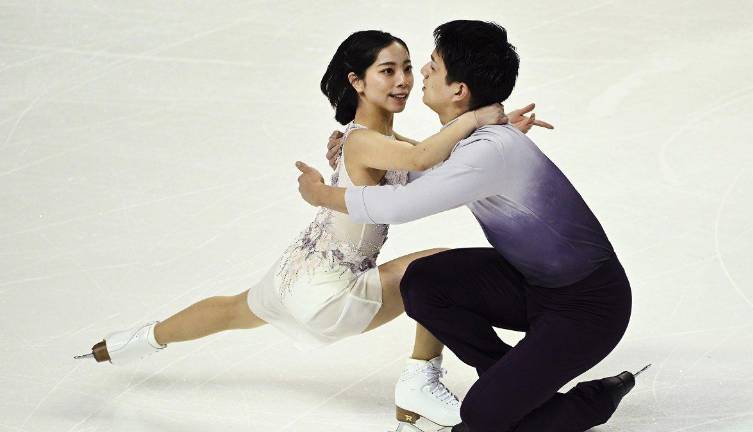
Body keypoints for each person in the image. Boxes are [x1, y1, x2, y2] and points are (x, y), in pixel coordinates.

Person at [76, 29, 549, 430]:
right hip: (332, 294)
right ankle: (418, 385)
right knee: (437, 270)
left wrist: (502, 128)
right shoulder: (364, 141)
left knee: (229, 310)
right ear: (356, 81)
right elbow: (422, 159)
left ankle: (130, 343)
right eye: (388, 71)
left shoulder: (366, 137)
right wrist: (477, 116)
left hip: (295, 273)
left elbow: (434, 154)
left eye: (407, 67)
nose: (404, 80)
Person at [296, 20, 644, 432]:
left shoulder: (487, 152)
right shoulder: (479, 144)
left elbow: (402, 203)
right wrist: (362, 150)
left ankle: (594, 401)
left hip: (588, 306)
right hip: (533, 286)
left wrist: (321, 194)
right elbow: (423, 169)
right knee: (425, 281)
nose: (421, 72)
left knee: (479, 416)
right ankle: (508, 378)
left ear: (459, 90)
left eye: (433, 66)